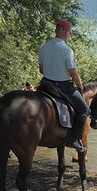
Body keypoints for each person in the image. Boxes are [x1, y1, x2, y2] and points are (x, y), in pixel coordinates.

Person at [38, 20, 89, 153]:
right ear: (66, 32)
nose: (69, 36)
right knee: (85, 111)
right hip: (63, 86)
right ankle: (73, 140)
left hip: (45, 84)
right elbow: (73, 72)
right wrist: (80, 85)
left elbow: (41, 70)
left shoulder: (44, 47)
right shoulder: (67, 50)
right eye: (69, 33)